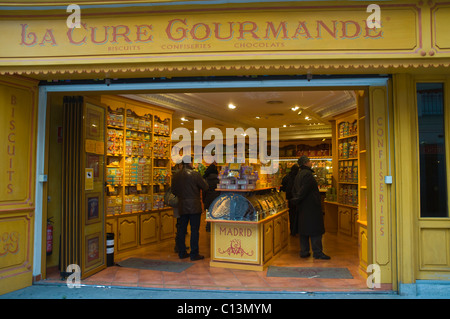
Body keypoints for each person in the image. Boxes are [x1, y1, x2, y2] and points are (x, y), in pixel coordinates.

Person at [292, 155, 330, 260]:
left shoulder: (299, 174)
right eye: (309, 161)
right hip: (311, 207)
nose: (311, 162)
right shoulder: (308, 175)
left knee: (303, 231)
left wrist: (296, 201)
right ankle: (317, 252)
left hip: (302, 207)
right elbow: (304, 190)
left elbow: (295, 190)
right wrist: (299, 199)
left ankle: (304, 251)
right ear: (305, 163)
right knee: (315, 230)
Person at [171, 155, 209, 261]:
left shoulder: (176, 176)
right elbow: (205, 187)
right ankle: (194, 253)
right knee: (194, 230)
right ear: (190, 163)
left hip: (182, 205)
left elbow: (173, 191)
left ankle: (182, 252)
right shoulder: (195, 174)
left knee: (181, 230)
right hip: (194, 206)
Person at [281, 164, 299, 235]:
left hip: (290, 199)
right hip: (298, 199)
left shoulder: (286, 177)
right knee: (299, 215)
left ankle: (293, 231)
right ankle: (298, 230)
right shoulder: (299, 177)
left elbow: (282, 188)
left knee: (292, 215)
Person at [202, 163, 220, 232]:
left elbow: (204, 191)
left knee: (208, 213)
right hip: (216, 198)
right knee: (216, 213)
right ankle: (215, 227)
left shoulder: (206, 179)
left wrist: (204, 200)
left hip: (208, 198)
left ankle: (208, 226)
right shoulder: (218, 179)